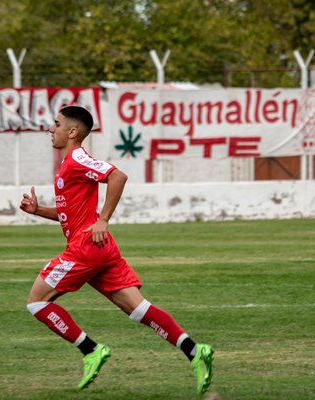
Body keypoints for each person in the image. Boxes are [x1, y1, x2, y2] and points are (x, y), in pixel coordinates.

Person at [19, 106, 214, 395]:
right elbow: (69, 214)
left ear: (72, 132)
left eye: (56, 124)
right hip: (99, 249)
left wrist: (103, 220)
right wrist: (38, 211)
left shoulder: (76, 158)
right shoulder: (69, 164)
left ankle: (91, 350)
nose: (51, 129)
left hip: (85, 249)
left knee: (37, 302)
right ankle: (195, 351)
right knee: (138, 309)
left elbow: (118, 177)